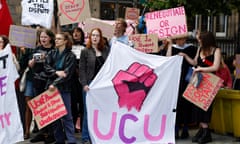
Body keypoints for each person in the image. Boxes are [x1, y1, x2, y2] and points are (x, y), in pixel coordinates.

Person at [181, 31, 221, 143]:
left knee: (205, 107)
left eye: (200, 39)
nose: (199, 41)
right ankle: (202, 130)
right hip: (198, 80)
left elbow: (215, 67)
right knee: (196, 106)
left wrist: (201, 69)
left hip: (210, 81)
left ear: (206, 40)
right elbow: (194, 62)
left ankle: (206, 131)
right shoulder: (200, 49)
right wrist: (185, 56)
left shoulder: (216, 50)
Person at [44, 32, 77, 144]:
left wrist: (55, 83)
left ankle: (71, 140)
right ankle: (59, 140)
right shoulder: (51, 53)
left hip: (63, 88)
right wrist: (56, 72)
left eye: (59, 39)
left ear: (65, 41)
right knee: (54, 116)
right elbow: (46, 68)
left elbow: (67, 74)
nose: (56, 40)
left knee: (67, 116)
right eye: (56, 38)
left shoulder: (71, 56)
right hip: (51, 88)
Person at [79, 28, 110, 144]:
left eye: (97, 35)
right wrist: (84, 84)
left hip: (102, 86)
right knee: (88, 111)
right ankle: (86, 137)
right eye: (93, 35)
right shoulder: (85, 51)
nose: (95, 37)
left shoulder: (106, 50)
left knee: (102, 111)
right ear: (90, 37)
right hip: (90, 85)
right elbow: (81, 69)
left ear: (101, 37)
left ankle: (100, 135)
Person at [166, 36, 198, 139]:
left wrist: (238, 74)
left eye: (182, 39)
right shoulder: (173, 48)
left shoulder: (191, 48)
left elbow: (195, 62)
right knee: (176, 104)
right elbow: (168, 59)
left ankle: (185, 128)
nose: (180, 41)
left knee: (186, 104)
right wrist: (170, 44)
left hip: (186, 79)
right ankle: (175, 128)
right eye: (178, 39)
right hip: (175, 80)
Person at [28, 28, 56, 143]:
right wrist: (33, 61)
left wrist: (47, 59)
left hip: (49, 83)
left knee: (49, 108)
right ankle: (41, 132)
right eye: (41, 37)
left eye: (45, 37)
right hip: (37, 81)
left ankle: (51, 133)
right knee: (39, 109)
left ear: (50, 38)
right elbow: (30, 65)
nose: (43, 39)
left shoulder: (54, 50)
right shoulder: (37, 49)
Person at [71, 27, 85, 133]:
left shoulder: (85, 47)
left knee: (82, 104)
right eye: (74, 32)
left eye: (78, 32)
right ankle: (73, 126)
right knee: (73, 104)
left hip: (83, 79)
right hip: (72, 79)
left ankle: (83, 127)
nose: (76, 34)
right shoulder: (69, 47)